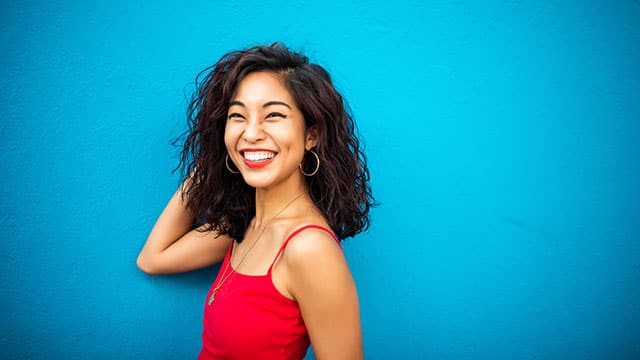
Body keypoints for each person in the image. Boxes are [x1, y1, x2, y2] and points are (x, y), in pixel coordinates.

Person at [136, 43, 373, 360]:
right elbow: (153, 259)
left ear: (311, 135)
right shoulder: (242, 227)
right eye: (237, 116)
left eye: (273, 115)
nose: (250, 133)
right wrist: (212, 160)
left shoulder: (308, 248)